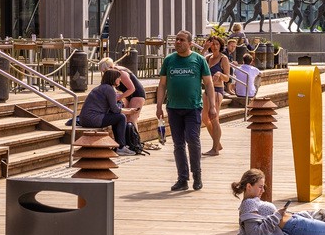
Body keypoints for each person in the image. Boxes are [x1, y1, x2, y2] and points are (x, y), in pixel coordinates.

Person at [155, 29, 214, 191]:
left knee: (193, 140)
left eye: (181, 40)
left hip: (193, 108)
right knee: (178, 144)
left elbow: (209, 84)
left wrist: (212, 106)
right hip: (173, 108)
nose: (178, 42)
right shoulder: (169, 60)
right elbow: (162, 85)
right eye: (177, 39)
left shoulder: (198, 60)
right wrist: (159, 106)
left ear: (190, 43)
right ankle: (182, 178)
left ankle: (197, 175)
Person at [78, 69, 134, 154]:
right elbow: (115, 109)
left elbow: (112, 109)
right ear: (113, 78)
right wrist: (129, 112)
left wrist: (127, 110)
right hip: (94, 119)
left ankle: (118, 146)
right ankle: (121, 147)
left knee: (116, 117)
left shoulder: (100, 88)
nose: (120, 80)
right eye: (118, 78)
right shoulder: (109, 89)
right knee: (121, 117)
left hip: (84, 120)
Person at [202, 35, 233, 155]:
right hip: (207, 90)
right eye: (212, 44)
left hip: (217, 90)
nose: (214, 46)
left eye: (217, 44)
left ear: (220, 46)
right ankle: (217, 143)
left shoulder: (223, 58)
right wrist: (204, 49)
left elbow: (227, 78)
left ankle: (215, 149)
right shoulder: (207, 58)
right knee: (205, 119)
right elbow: (197, 62)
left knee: (214, 119)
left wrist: (220, 74)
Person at [97, 56, 146, 125]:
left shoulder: (121, 73)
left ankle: (133, 132)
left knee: (131, 119)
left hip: (137, 94)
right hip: (127, 94)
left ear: (110, 67)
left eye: (105, 71)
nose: (104, 74)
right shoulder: (112, 74)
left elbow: (132, 89)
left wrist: (120, 97)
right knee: (125, 117)